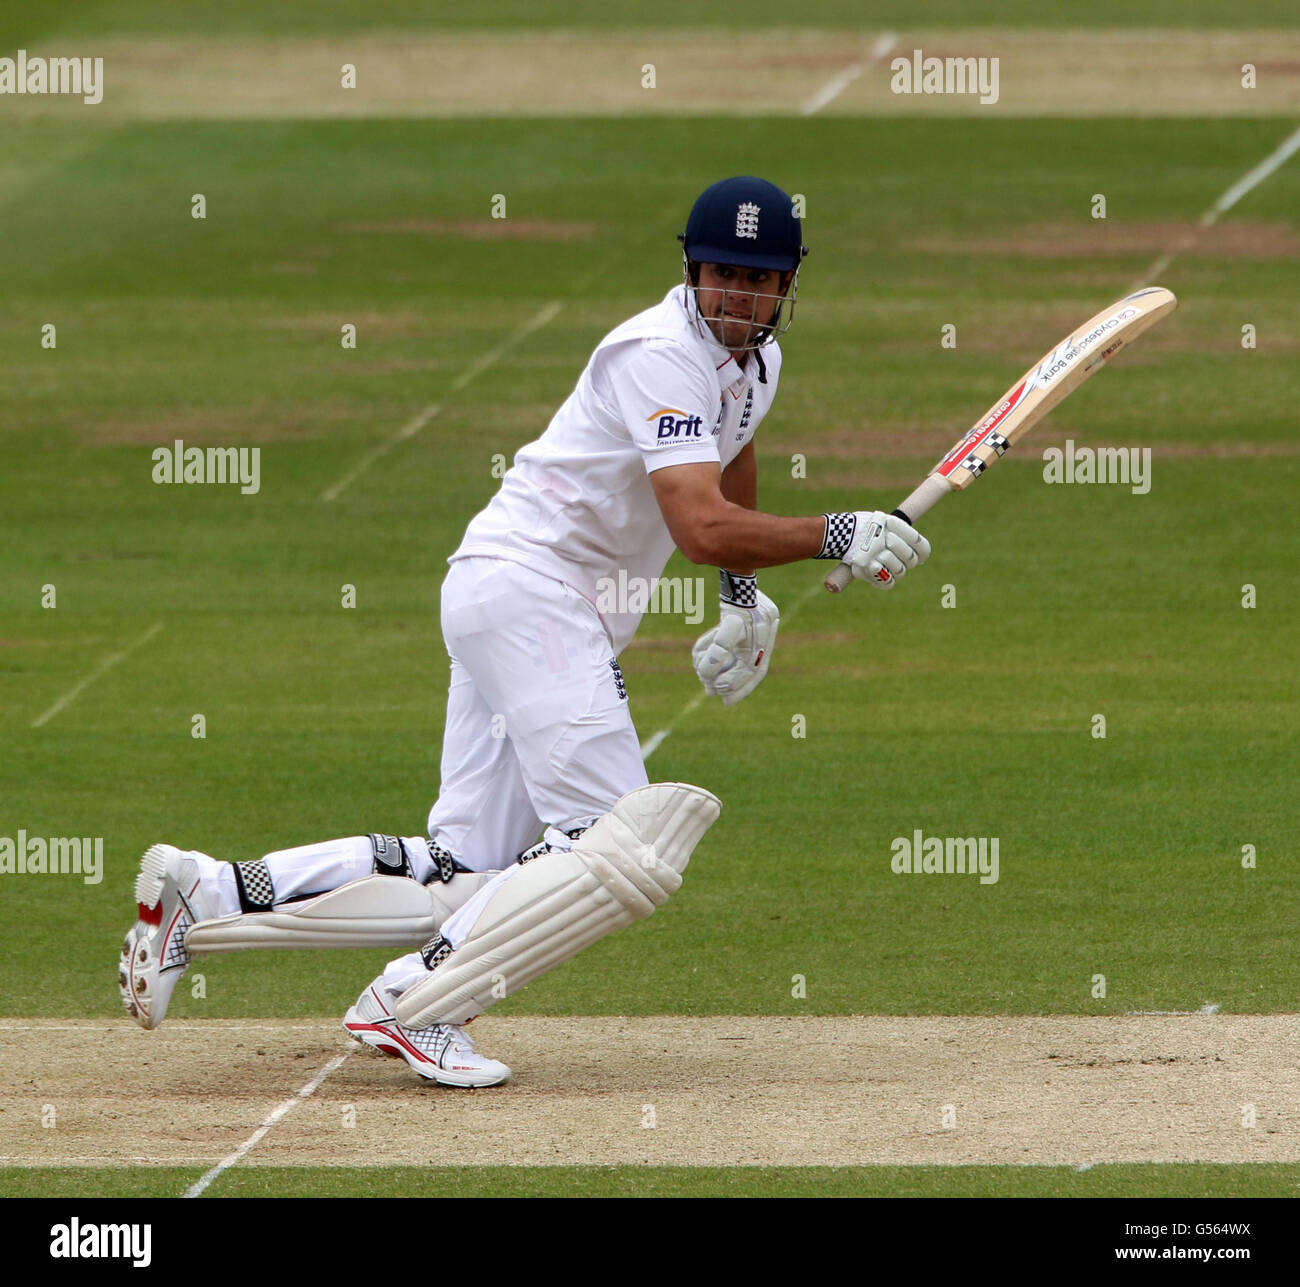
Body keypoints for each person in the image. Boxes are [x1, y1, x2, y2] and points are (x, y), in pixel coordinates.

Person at [119, 176, 931, 1087]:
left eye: (760, 278)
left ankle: (209, 891)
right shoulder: (657, 353)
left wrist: (742, 596)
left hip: (514, 595)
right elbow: (698, 523)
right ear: (693, 270)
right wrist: (835, 532)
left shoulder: (754, 364)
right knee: (621, 838)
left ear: (788, 287)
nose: (740, 296)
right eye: (724, 274)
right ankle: (413, 1004)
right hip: (532, 595)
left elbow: (728, 459)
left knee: (470, 867)